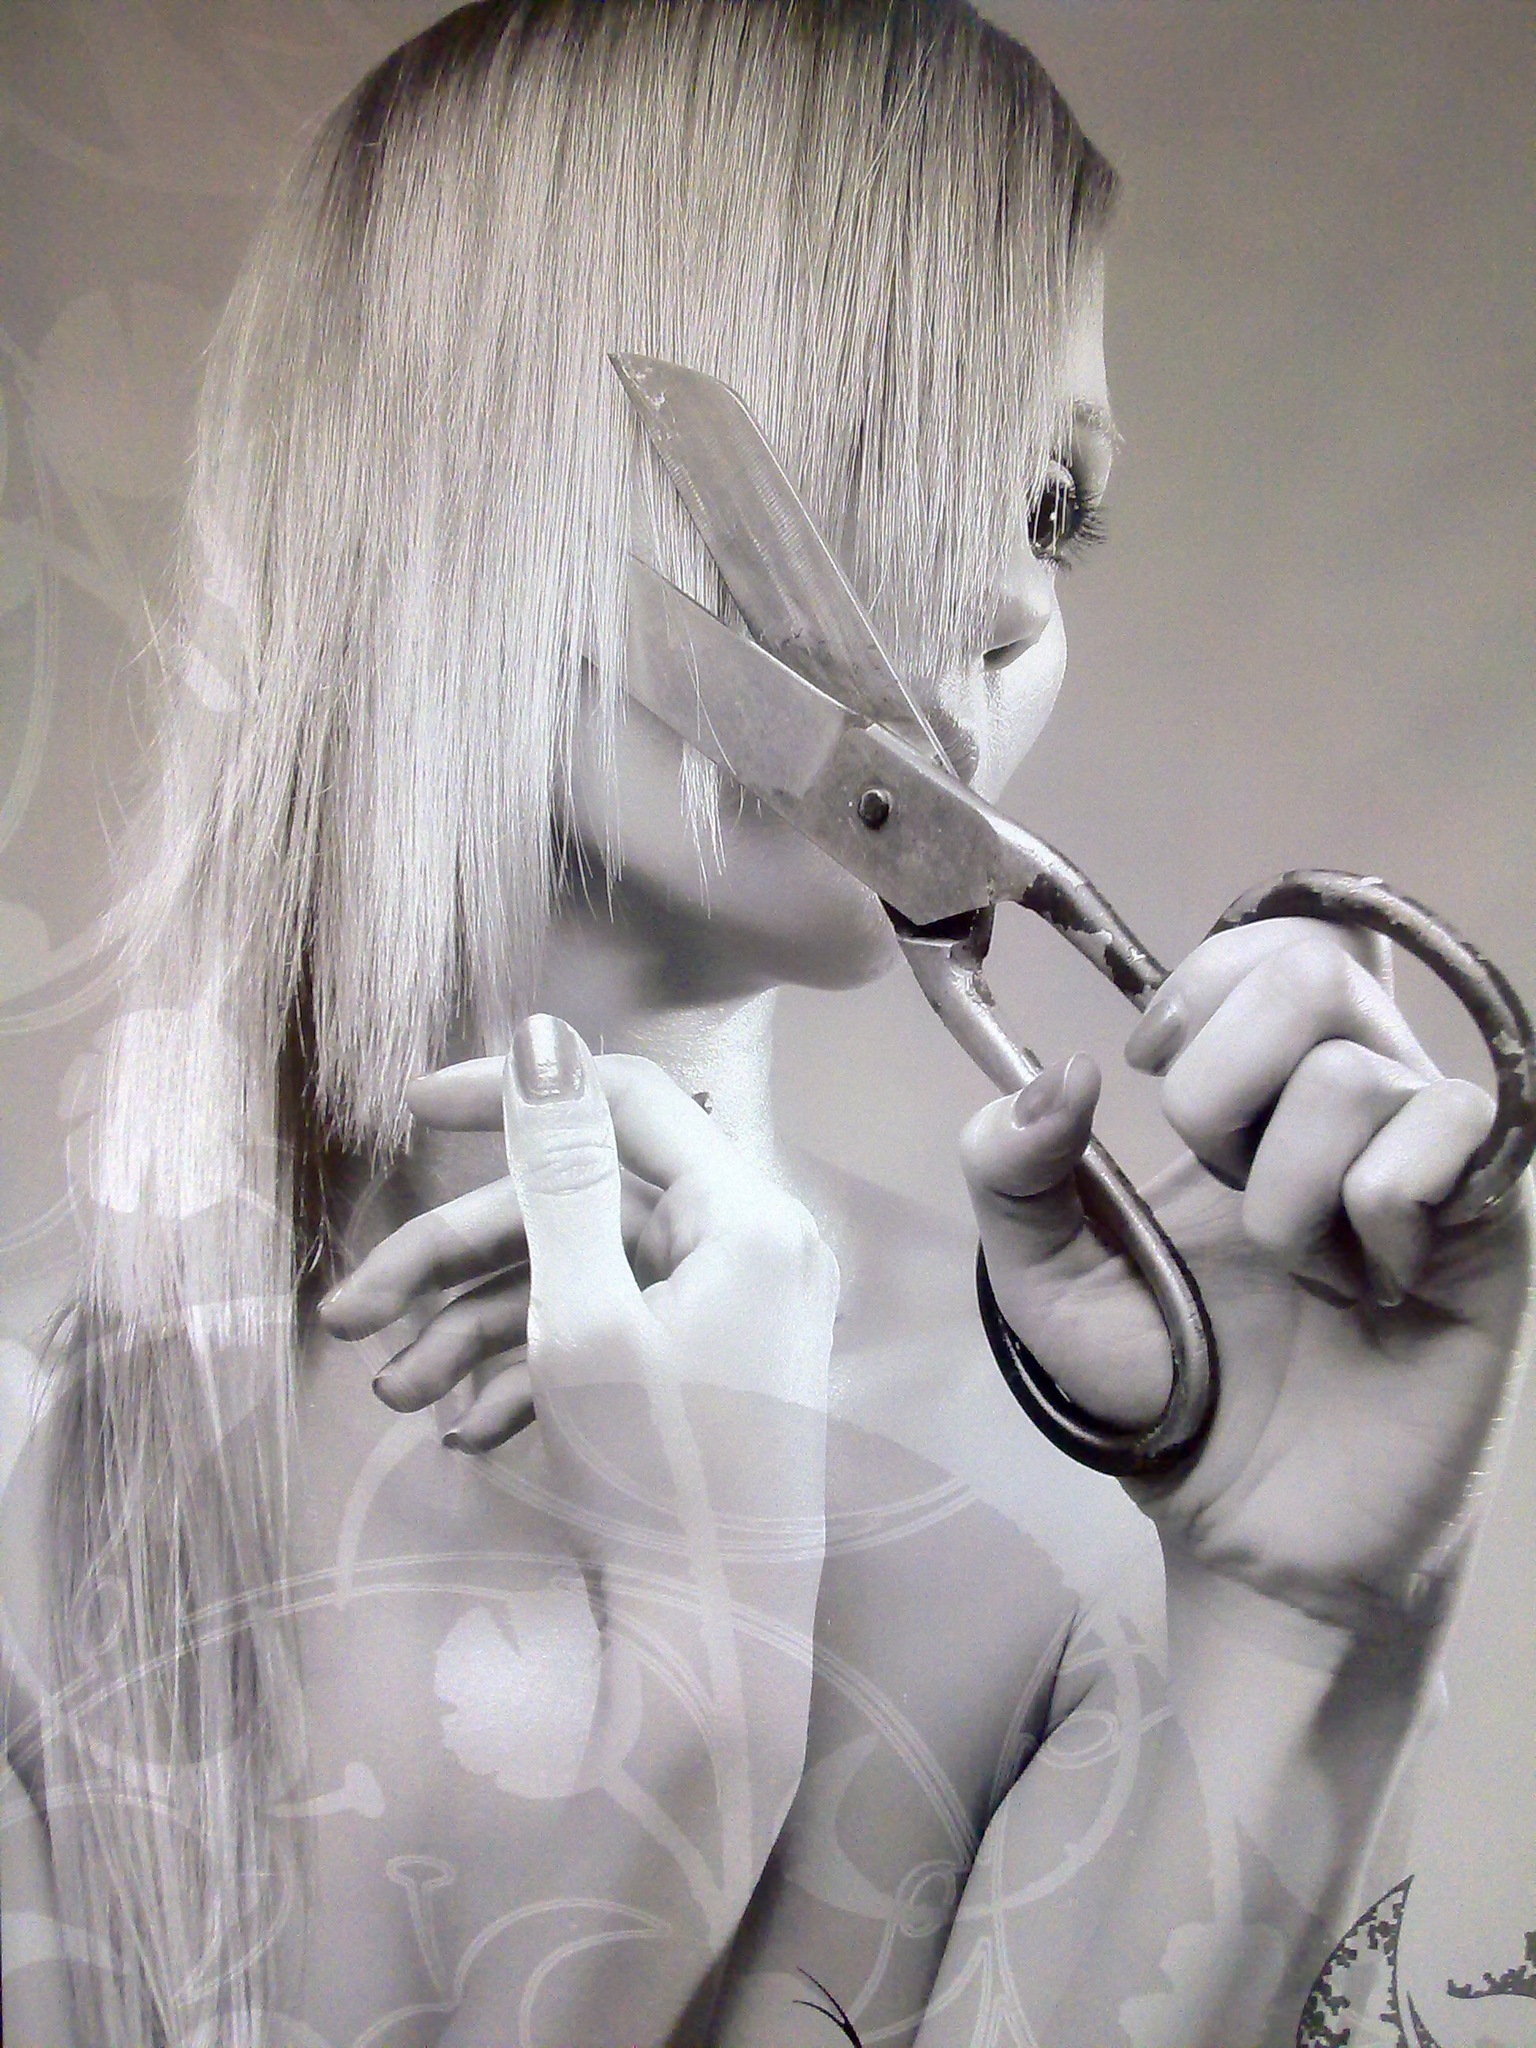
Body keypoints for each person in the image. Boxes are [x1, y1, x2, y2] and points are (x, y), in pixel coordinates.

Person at [1, 3, 1528, 2046]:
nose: (1014, 596)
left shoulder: (1086, 1525)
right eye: (873, 413)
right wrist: (670, 1784)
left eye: (1051, 501)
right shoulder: (31, 1497)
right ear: (449, 472)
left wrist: (1307, 1634)